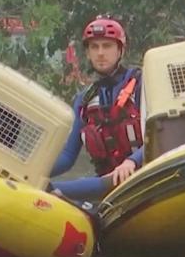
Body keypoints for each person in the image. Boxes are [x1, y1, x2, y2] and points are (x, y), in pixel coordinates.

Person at [50, 15, 144, 200]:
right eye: (94, 47)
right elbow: (68, 157)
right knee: (45, 188)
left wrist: (132, 161)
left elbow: (159, 138)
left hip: (142, 172)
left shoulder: (141, 84)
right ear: (87, 53)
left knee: (52, 190)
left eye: (107, 46)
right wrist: (33, 171)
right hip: (106, 183)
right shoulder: (84, 100)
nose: (100, 53)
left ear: (120, 50)